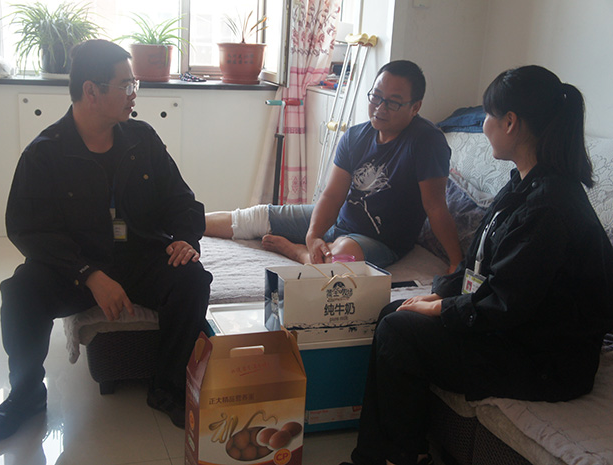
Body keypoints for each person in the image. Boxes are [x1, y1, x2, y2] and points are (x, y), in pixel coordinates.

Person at [340, 65, 613, 465]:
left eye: (487, 115)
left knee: (400, 331)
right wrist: (441, 294)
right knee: (394, 313)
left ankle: (400, 457)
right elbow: (481, 268)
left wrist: (442, 308)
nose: (484, 125)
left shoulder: (549, 208)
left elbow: (505, 303)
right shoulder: (524, 184)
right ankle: (377, 455)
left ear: (510, 122)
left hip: (545, 360)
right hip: (518, 333)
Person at [0, 39, 212, 439]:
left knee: (192, 278)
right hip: (76, 266)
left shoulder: (143, 140)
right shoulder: (44, 154)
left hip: (140, 257)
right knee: (20, 290)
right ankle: (26, 394)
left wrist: (186, 238)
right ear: (91, 91)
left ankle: (168, 385)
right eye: (125, 85)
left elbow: (182, 200)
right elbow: (26, 230)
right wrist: (88, 273)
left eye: (134, 84)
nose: (134, 93)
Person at [206, 60, 463, 272]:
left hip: (378, 241)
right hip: (339, 220)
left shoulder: (427, 142)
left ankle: (298, 254)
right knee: (256, 216)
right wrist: (313, 235)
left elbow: (435, 207)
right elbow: (332, 196)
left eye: (393, 102)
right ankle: (186, 222)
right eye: (376, 96)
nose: (380, 108)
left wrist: (456, 262)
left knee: (342, 258)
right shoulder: (355, 136)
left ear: (415, 107)